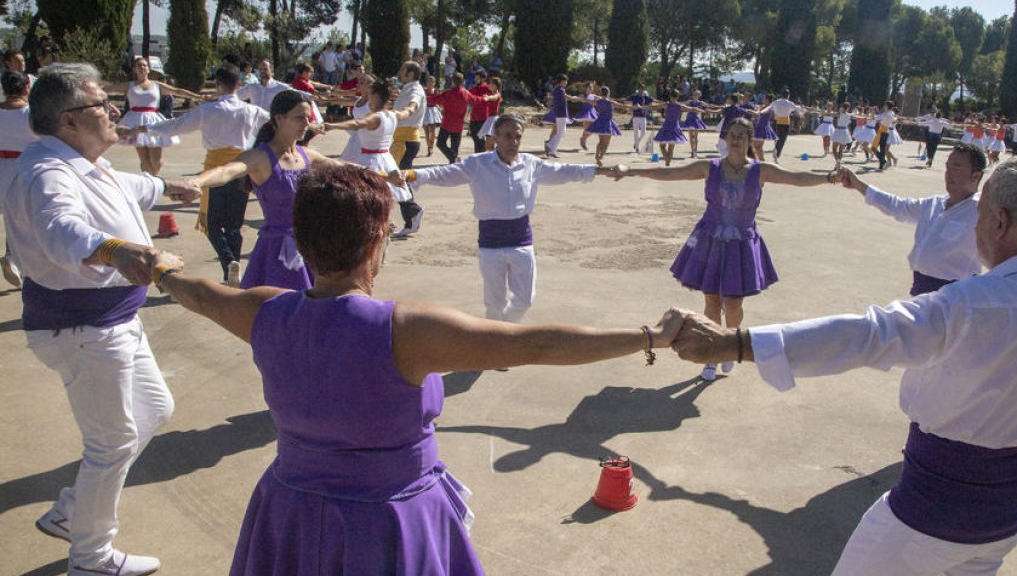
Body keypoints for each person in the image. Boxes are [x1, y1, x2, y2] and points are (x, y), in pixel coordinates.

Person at [152, 164, 682, 575]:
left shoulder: (264, 311)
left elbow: (200, 294)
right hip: (385, 521)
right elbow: (536, 344)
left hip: (288, 510)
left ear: (303, 239)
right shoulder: (404, 331)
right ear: (377, 242)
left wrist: (156, 268)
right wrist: (650, 337)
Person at [669, 153, 1017, 576]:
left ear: (999, 222)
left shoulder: (966, 305)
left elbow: (865, 334)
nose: (972, 225)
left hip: (933, 508)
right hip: (1008, 514)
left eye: (978, 214)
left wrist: (735, 343)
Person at [8, 63, 199, 576]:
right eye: (101, 104)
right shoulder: (47, 173)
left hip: (113, 322)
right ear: (69, 120)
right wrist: (114, 251)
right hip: (81, 330)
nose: (113, 110)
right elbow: (61, 227)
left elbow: (125, 187)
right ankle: (90, 559)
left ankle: (74, 511)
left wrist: (168, 186)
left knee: (154, 408)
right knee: (111, 442)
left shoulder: (83, 162)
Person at [614, 117, 832, 382]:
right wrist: (633, 171)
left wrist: (829, 177)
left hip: (741, 243)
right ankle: (710, 353)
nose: (735, 139)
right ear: (725, 138)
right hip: (710, 242)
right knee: (711, 301)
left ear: (750, 140)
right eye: (731, 134)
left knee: (733, 303)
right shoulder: (710, 167)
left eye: (741, 135)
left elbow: (796, 177)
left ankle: (729, 344)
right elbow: (673, 173)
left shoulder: (760, 170)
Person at [405, 114, 616, 323]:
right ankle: (497, 344)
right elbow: (442, 173)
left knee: (524, 300)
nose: (513, 142)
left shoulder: (531, 164)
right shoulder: (478, 164)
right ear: (495, 137)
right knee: (494, 304)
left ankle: (504, 332)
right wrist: (410, 175)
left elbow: (565, 171)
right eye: (507, 136)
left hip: (521, 241)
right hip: (490, 244)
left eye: (517, 137)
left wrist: (603, 171)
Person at [188, 90, 340, 291]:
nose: (306, 123)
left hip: (310, 246)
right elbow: (226, 171)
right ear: (278, 118)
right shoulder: (261, 157)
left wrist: (387, 175)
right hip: (275, 251)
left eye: (308, 117)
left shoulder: (307, 155)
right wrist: (197, 181)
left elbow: (345, 167)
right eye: (299, 118)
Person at [150, 64, 268, 284]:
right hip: (242, 169)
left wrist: (148, 128)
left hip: (215, 170)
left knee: (212, 225)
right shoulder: (251, 110)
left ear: (218, 85)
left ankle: (229, 262)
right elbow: (274, 122)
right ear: (239, 85)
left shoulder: (208, 110)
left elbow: (176, 126)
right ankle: (232, 267)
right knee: (234, 224)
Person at [837, 143, 986, 295]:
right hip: (920, 289)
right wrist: (857, 184)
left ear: (975, 176)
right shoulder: (933, 204)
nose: (948, 173)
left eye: (956, 167)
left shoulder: (982, 213)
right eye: (948, 166)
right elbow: (897, 206)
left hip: (955, 296)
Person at [325, 79, 423, 238]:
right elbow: (408, 111)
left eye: (370, 94)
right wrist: (414, 104)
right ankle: (381, 224)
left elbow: (357, 123)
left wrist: (331, 126)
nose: (367, 97)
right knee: (378, 196)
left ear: (377, 96)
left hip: (369, 159)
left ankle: (373, 227)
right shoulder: (393, 114)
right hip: (386, 158)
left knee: (365, 195)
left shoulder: (376, 117)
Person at [103, 56, 203, 175]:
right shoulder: (129, 85)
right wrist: (108, 104)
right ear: (134, 69)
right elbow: (105, 89)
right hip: (134, 121)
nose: (141, 68)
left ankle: (152, 177)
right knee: (144, 158)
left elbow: (177, 91)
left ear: (149, 69)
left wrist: (198, 97)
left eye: (144, 65)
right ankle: (149, 183)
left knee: (157, 160)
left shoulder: (157, 85)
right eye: (138, 66)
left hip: (154, 120)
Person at [0, 70, 37, 287]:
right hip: (24, 170)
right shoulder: (32, 114)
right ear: (26, 88)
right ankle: (15, 259)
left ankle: (13, 258)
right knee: (23, 221)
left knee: (11, 218)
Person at [427, 72, 500, 164]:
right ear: (462, 82)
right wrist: (485, 98)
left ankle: (454, 158)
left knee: (441, 143)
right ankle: (454, 163)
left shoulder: (449, 93)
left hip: (448, 124)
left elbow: (435, 100)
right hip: (459, 125)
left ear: (452, 81)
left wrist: (423, 98)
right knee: (455, 147)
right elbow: (475, 99)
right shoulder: (465, 93)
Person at [541, 74, 570, 158]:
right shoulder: (561, 90)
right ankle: (549, 145)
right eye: (565, 81)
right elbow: (567, 98)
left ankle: (552, 150)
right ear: (561, 82)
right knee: (560, 133)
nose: (566, 83)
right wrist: (576, 98)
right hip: (561, 114)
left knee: (561, 133)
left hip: (560, 114)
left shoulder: (557, 90)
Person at [624, 83, 654, 154]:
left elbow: (652, 101)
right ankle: (637, 148)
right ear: (638, 89)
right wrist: (632, 106)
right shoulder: (634, 96)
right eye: (641, 88)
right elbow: (626, 100)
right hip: (635, 116)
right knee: (636, 132)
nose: (642, 90)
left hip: (643, 116)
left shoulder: (645, 96)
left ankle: (636, 142)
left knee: (644, 132)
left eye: (643, 89)